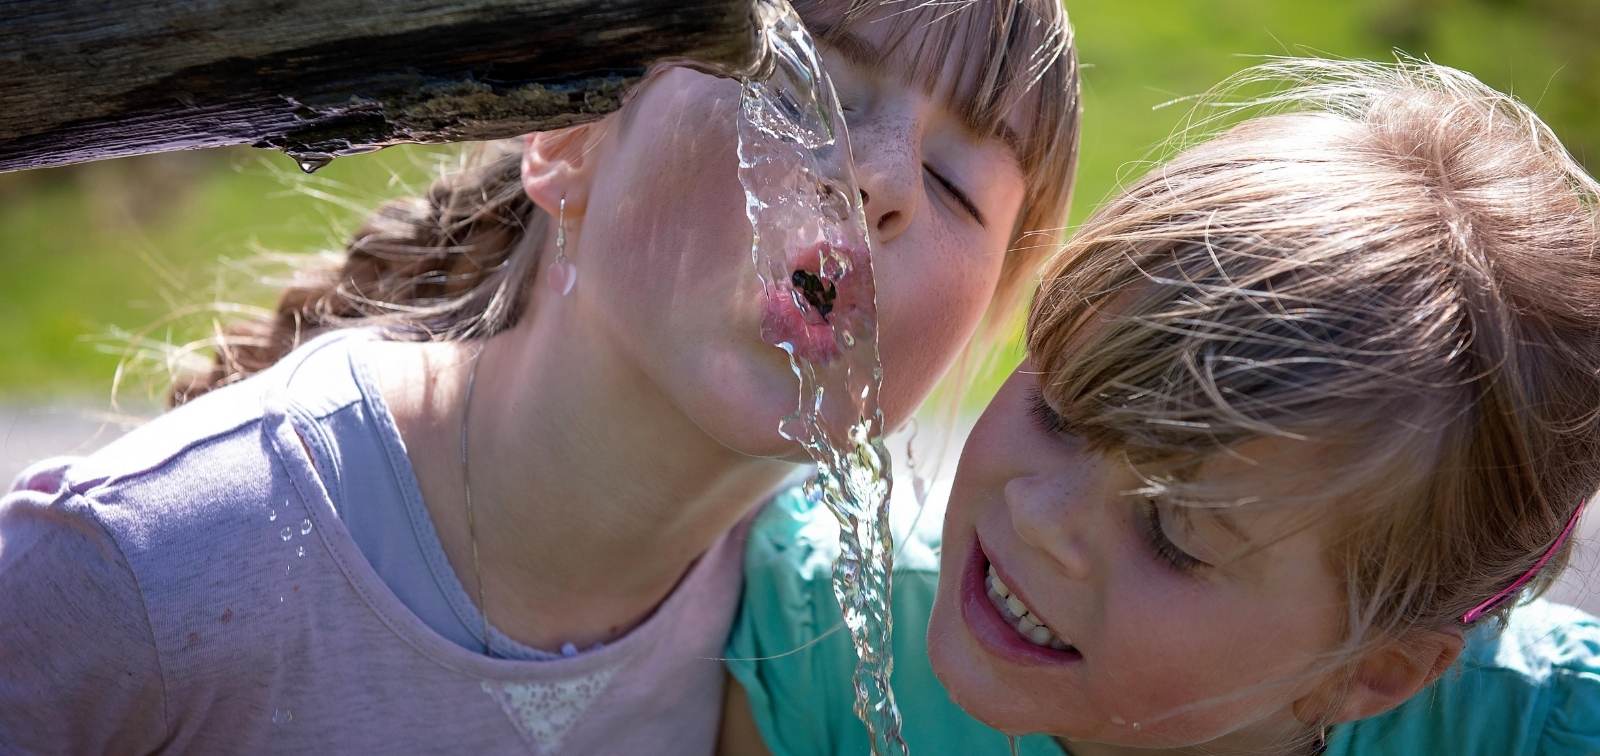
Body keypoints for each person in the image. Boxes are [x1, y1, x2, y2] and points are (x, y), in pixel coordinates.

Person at [0, 2, 1081, 752]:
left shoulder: (829, 648)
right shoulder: (142, 571)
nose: (879, 178)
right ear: (568, 138)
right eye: (804, 96)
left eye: (953, 184)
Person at [725, 58, 1600, 755]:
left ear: (1372, 671)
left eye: (1172, 533)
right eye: (1062, 412)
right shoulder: (820, 649)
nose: (1038, 516)